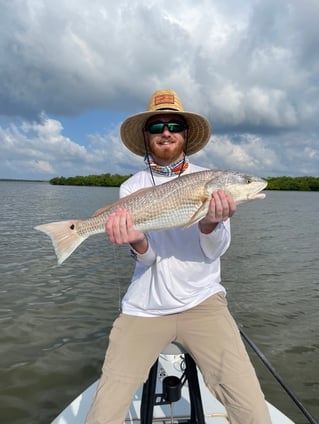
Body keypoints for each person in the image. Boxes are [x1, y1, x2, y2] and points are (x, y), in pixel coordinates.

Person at [85, 89, 271, 424]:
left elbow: (215, 251)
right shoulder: (132, 187)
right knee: (102, 415)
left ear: (186, 134)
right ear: (146, 136)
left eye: (174, 125)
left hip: (203, 303)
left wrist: (212, 221)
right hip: (144, 306)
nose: (166, 132)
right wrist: (137, 241)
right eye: (157, 127)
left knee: (254, 414)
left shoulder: (211, 180)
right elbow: (148, 259)